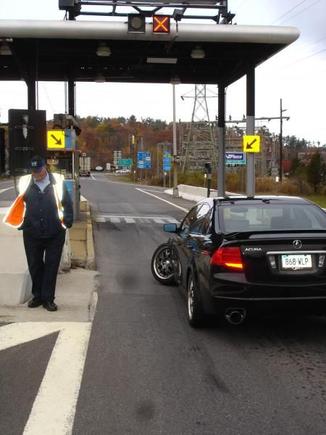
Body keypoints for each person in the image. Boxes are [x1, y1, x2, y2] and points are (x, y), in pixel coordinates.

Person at [3, 155, 73, 311]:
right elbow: (20, 204)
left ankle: (48, 299)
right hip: (31, 232)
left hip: (55, 232)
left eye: (39, 170)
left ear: (45, 167)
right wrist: (23, 224)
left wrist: (66, 223)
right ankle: (37, 296)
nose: (37, 174)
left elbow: (67, 203)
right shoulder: (26, 182)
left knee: (51, 266)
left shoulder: (57, 182)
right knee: (34, 265)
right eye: (34, 171)